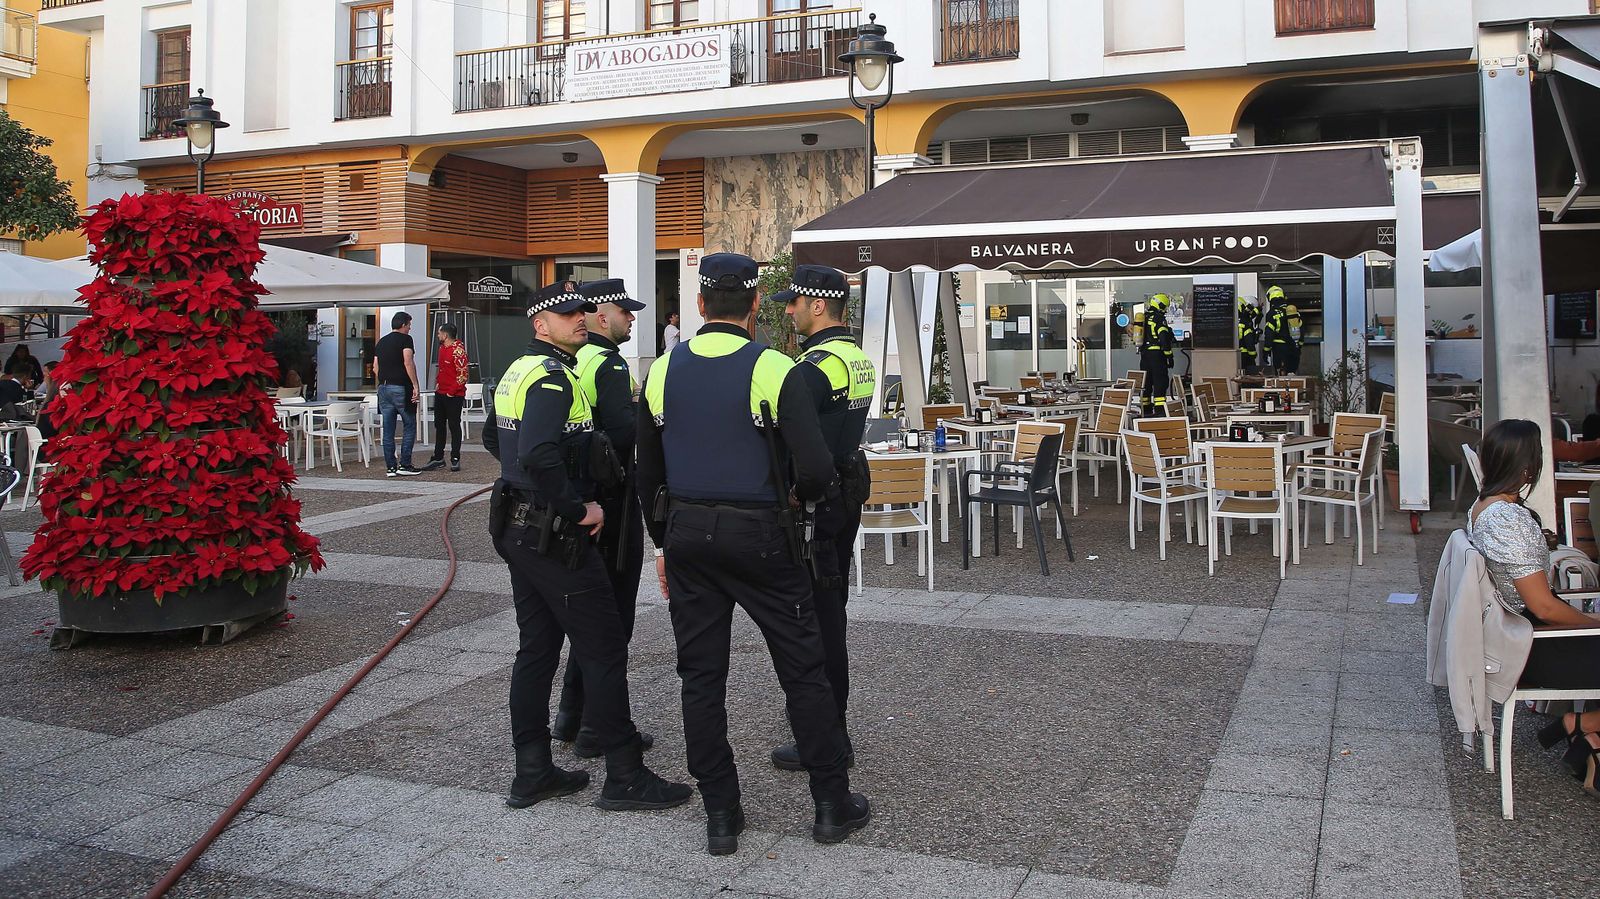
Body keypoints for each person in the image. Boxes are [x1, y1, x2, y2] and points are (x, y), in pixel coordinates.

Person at [637, 253, 870, 857]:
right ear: (754, 307)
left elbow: (648, 471)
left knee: (701, 678)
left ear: (698, 305)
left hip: (688, 534)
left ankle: (721, 813)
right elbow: (816, 466)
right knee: (803, 670)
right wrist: (798, 500)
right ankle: (829, 805)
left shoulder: (662, 370)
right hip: (763, 534)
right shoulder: (774, 366)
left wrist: (661, 541)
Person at [482, 281, 691, 813]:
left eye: (581, 311)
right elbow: (538, 454)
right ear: (539, 325)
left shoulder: (519, 370)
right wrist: (579, 508)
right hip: (557, 535)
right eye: (565, 313)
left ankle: (532, 769)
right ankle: (623, 773)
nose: (579, 318)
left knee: (537, 648)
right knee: (601, 645)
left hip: (520, 528)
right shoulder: (552, 378)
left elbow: (493, 439)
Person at [772, 266, 875, 773]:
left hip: (817, 503)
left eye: (793, 303)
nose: (787, 310)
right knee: (832, 613)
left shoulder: (812, 368)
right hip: (846, 492)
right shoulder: (856, 358)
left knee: (818, 622)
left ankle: (827, 736)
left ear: (817, 305)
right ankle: (832, 728)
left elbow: (796, 443)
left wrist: (793, 494)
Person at [1467, 419, 1600, 793]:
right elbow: (1544, 608)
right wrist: (1590, 620)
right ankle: (1585, 727)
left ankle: (1585, 731)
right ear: (1528, 467)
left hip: (1522, 634)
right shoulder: (1508, 518)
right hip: (1535, 644)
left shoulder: (1484, 506)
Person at [552, 278, 652, 758]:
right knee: (613, 618)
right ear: (599, 314)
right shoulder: (607, 364)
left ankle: (571, 715)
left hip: (583, 496)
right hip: (612, 502)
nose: (632, 318)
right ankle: (597, 726)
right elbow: (626, 433)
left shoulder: (577, 360)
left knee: (590, 615)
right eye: (625, 311)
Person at [373, 311, 423, 477]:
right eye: (409, 324)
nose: (410, 328)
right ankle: (405, 464)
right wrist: (415, 385)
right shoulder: (405, 340)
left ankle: (391, 467)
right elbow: (408, 362)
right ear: (403, 325)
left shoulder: (381, 341)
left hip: (384, 388)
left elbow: (375, 367)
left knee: (388, 429)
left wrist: (383, 379)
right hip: (401, 387)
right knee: (409, 425)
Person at [426, 322, 469, 472]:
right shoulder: (442, 349)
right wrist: (438, 383)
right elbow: (443, 369)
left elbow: (463, 375)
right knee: (439, 424)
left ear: (445, 335)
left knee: (454, 425)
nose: (438, 336)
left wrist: (452, 391)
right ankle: (438, 457)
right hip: (441, 392)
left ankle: (455, 457)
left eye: (439, 333)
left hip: (453, 395)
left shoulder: (458, 351)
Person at [1137, 294, 1175, 416]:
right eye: (1165, 306)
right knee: (1160, 382)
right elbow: (1163, 338)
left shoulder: (1145, 317)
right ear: (1161, 305)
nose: (1165, 309)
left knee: (1146, 384)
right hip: (1157, 356)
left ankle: (1146, 411)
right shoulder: (1159, 318)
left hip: (1144, 355)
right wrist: (1169, 355)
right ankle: (1160, 412)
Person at [1236, 295, 1261, 375]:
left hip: (1233, 353)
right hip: (1245, 355)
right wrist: (1253, 355)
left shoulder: (1234, 320)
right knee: (1249, 376)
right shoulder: (1246, 322)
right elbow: (1249, 340)